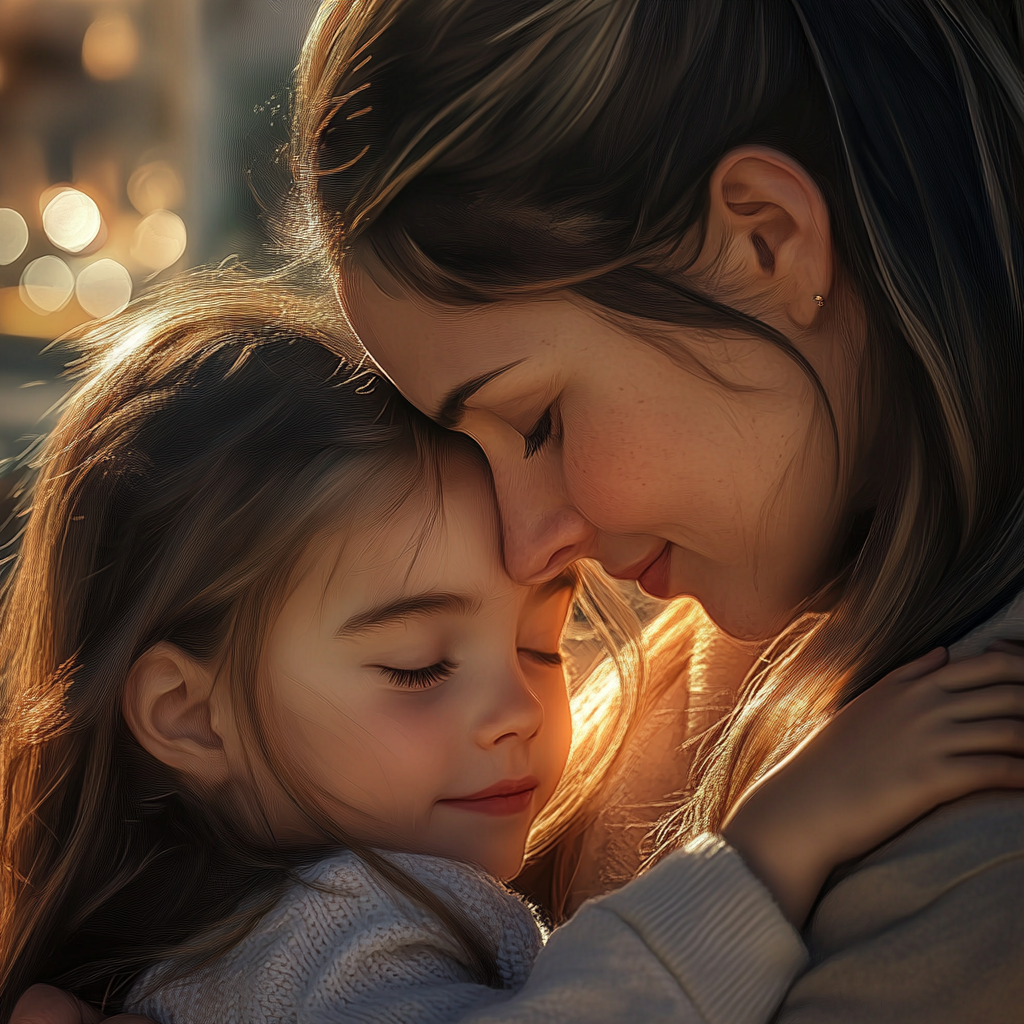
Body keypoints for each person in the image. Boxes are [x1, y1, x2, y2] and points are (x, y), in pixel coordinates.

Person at [4, 273, 1024, 1024]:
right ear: (190, 712)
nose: (517, 710)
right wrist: (765, 853)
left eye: (544, 644)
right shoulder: (328, 930)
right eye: (417, 664)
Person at [280, 0, 1024, 1018]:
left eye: (535, 418)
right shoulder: (677, 675)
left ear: (765, 240)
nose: (527, 541)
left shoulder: (981, 795)